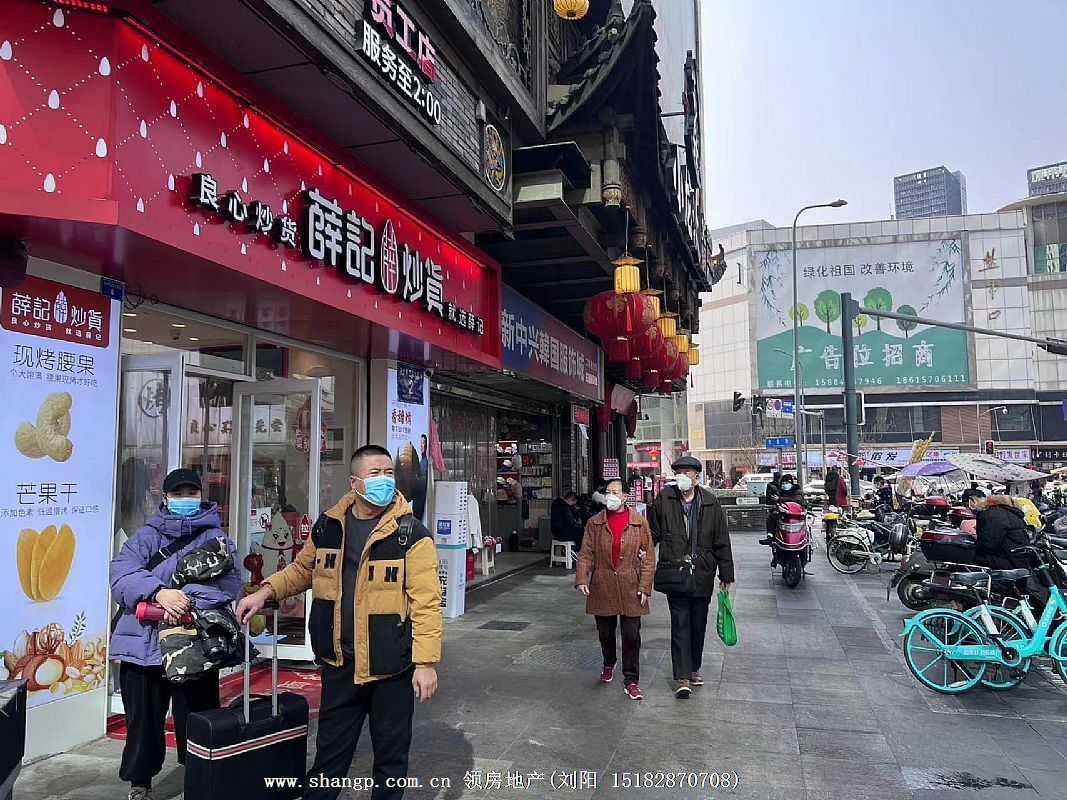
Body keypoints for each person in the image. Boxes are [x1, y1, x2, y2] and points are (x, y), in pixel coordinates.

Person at [237, 445, 442, 800]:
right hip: (340, 663)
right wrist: (265, 591)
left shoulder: (411, 533)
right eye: (375, 474)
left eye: (388, 473)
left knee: (391, 758)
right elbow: (302, 571)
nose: (384, 480)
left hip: (390, 667)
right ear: (354, 482)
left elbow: (426, 603)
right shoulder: (329, 526)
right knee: (329, 757)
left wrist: (425, 663)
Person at [109, 469, 241, 800]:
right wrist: (159, 594)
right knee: (142, 722)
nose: (186, 499)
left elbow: (229, 583)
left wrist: (184, 601)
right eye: (178, 494)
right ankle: (140, 784)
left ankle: (200, 778)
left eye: (191, 493)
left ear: (201, 496)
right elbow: (121, 575)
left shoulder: (216, 538)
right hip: (143, 645)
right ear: (166, 498)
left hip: (193, 644)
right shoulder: (146, 536)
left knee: (197, 718)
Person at [649, 455, 734, 699]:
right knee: (680, 624)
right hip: (674, 570)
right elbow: (652, 533)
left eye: (687, 472)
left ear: (696, 476)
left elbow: (721, 540)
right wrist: (641, 552)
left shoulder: (710, 502)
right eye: (678, 472)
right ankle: (682, 676)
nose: (682, 477)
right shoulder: (664, 499)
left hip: (702, 572)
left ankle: (694, 667)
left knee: (698, 624)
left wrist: (726, 573)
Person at [574, 479, 654, 700]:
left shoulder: (639, 523)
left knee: (631, 635)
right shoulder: (595, 523)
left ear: (625, 497)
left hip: (631, 584)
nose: (610, 496)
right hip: (603, 582)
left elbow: (649, 558)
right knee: (605, 631)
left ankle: (631, 679)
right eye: (608, 492)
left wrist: (645, 586)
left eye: (615, 492)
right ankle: (609, 662)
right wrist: (582, 578)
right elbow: (586, 553)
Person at [973, 495, 1032, 570]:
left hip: (1007, 560)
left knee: (969, 558)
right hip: (1019, 559)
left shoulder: (992, 515)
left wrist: (975, 547)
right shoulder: (1012, 514)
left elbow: (989, 543)